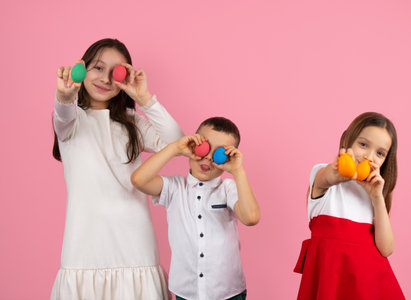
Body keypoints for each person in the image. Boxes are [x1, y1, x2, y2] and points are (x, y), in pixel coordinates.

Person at [50, 38, 183, 300]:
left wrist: (144, 98)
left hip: (135, 244)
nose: (106, 79)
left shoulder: (132, 122)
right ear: (83, 67)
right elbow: (63, 114)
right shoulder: (73, 120)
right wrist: (65, 96)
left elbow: (176, 141)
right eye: (98, 68)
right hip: (84, 247)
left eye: (116, 72)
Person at [131, 117, 260, 300]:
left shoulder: (228, 188)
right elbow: (138, 180)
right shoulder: (174, 188)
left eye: (218, 153)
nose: (208, 157)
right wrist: (176, 148)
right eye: (205, 147)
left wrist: (238, 171)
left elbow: (251, 217)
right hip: (187, 292)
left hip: (228, 292)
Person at [294, 112, 405, 299]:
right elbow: (327, 176)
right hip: (330, 276)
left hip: (369, 284)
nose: (369, 156)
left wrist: (377, 197)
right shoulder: (323, 175)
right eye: (363, 144)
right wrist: (341, 169)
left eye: (380, 153)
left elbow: (386, 249)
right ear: (347, 140)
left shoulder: (375, 192)